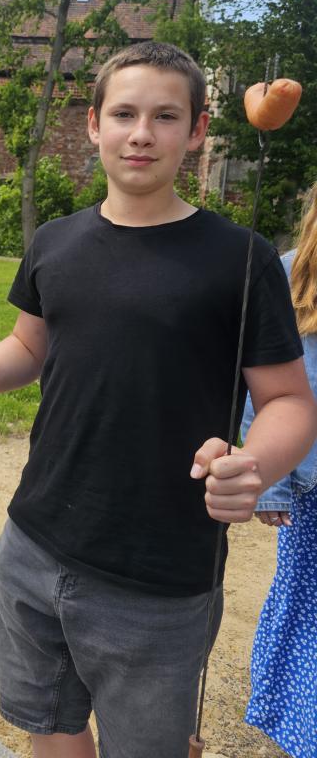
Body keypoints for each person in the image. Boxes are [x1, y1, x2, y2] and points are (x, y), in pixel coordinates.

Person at [0, 41, 317, 758]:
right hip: (32, 542)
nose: (142, 133)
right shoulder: (55, 242)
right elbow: (30, 347)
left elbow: (289, 399)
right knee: (50, 724)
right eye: (125, 114)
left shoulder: (241, 258)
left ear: (197, 131)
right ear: (94, 123)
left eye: (166, 116)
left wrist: (253, 465)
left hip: (161, 573)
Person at [241, 181, 317, 758]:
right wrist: (272, 481)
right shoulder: (290, 275)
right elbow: (266, 391)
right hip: (312, 482)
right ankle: (301, 728)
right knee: (305, 607)